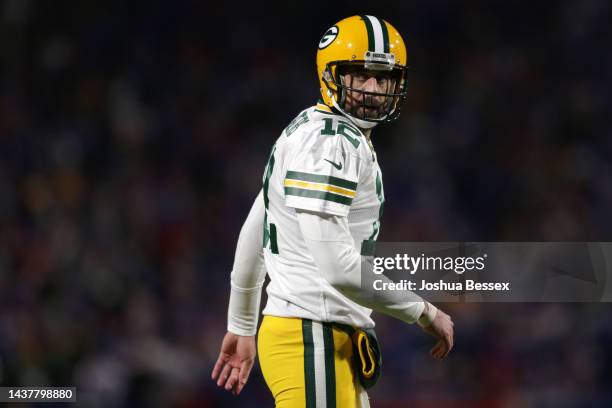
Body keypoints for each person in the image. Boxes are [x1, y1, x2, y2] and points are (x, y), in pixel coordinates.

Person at [212, 15, 454, 407]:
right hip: (312, 337)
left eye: (383, 78)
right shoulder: (333, 142)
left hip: (315, 337)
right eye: (360, 76)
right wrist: (424, 312)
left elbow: (257, 227)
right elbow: (338, 268)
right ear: (331, 75)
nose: (373, 89)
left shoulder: (311, 129)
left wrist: (242, 325)